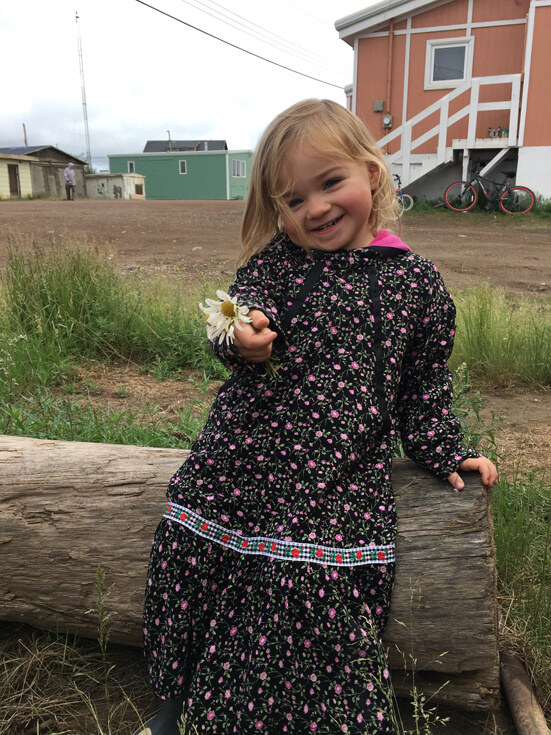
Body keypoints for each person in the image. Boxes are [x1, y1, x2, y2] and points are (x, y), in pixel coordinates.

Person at [136, 99, 498, 735]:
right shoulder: (278, 264)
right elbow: (233, 315)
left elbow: (423, 384)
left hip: (334, 480)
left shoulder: (417, 284)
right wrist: (241, 338)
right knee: (206, 573)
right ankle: (181, 706)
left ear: (373, 174)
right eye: (294, 200)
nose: (317, 208)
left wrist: (442, 450)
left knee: (311, 604)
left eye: (331, 183)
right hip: (243, 462)